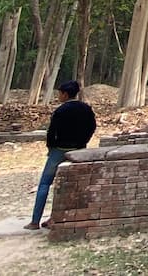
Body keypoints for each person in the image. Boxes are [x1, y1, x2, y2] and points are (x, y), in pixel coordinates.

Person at [25, 80, 95, 230]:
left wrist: (51, 147)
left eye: (59, 93)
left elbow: (51, 132)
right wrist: (84, 142)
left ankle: (35, 221)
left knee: (45, 183)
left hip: (59, 150)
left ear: (64, 94)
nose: (58, 96)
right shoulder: (86, 109)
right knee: (71, 185)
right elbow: (92, 127)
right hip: (79, 150)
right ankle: (58, 218)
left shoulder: (60, 111)